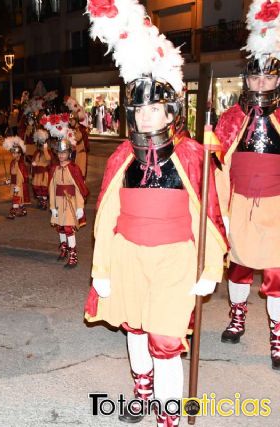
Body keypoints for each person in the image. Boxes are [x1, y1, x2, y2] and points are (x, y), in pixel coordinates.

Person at [82, 2, 227, 426]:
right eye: (139, 110)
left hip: (174, 259)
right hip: (128, 257)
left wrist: (211, 266)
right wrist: (102, 268)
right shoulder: (121, 157)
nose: (146, 116)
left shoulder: (193, 156)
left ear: (170, 112)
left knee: (165, 339)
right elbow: (107, 219)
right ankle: (141, 395)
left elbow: (210, 214)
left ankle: (168, 415)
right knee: (136, 330)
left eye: (154, 109)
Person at [213, 0, 280, 371]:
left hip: (276, 209)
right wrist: (219, 211)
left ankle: (277, 338)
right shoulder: (230, 118)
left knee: (276, 276)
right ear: (245, 80)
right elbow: (219, 167)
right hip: (239, 206)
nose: (261, 84)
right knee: (238, 269)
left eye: (268, 78)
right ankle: (237, 318)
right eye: (255, 78)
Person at [43, 120, 88, 268]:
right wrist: (52, 206)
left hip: (70, 203)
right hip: (59, 203)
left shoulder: (74, 169)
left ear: (69, 153)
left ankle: (73, 254)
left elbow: (79, 188)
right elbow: (52, 187)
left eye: (64, 153)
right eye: (59, 153)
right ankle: (64, 248)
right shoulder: (54, 169)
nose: (61, 156)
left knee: (69, 228)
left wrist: (80, 207)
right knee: (60, 227)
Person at [2, 136, 29, 219]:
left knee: (16, 199)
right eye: (12, 153)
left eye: (15, 153)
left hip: (18, 185)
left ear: (20, 154)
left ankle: (12, 213)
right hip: (14, 184)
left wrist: (18, 185)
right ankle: (23, 210)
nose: (13, 155)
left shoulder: (20, 164)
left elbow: (20, 176)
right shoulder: (13, 162)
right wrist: (9, 180)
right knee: (19, 199)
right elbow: (12, 174)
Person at [30, 129, 52, 210]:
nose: (42, 146)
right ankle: (40, 202)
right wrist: (33, 163)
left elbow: (48, 159)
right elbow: (34, 160)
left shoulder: (47, 152)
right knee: (37, 188)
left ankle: (44, 203)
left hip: (43, 174)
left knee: (43, 189)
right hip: (37, 174)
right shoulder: (37, 152)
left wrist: (45, 150)